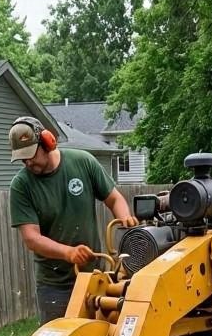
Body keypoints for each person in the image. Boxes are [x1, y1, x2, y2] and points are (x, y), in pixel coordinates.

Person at [8, 115, 139, 324]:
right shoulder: (21, 186)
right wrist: (68, 253)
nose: (28, 162)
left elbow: (114, 199)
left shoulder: (82, 162)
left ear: (47, 142)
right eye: (23, 159)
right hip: (55, 286)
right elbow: (32, 238)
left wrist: (124, 219)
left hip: (95, 278)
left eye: (31, 155)